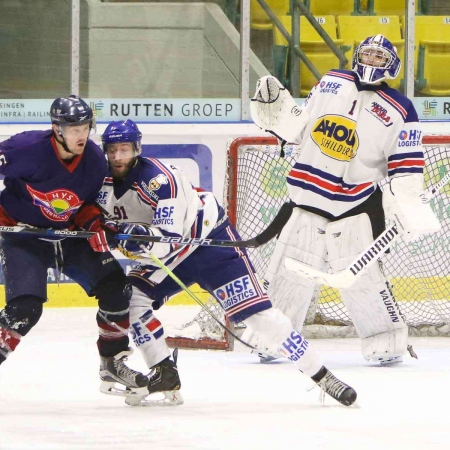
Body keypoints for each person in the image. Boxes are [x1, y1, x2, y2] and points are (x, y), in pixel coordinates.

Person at [88, 118, 358, 407]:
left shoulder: (160, 180)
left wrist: (138, 238)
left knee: (260, 318)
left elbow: (169, 240)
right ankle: (164, 371)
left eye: (125, 149)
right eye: (113, 149)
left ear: (137, 148)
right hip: (169, 256)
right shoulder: (99, 181)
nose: (118, 156)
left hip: (207, 244)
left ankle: (321, 374)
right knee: (131, 302)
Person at [250, 35, 441, 365]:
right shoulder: (331, 81)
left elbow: (406, 163)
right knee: (289, 270)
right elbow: (301, 126)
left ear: (392, 65)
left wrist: (407, 201)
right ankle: (273, 337)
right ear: (356, 56)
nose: (372, 60)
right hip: (308, 196)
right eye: (367, 53)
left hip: (356, 204)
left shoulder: (401, 108)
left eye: (380, 56)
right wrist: (278, 116)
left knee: (363, 277)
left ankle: (386, 340)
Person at [0, 96, 148, 394]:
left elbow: (85, 204)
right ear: (56, 129)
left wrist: (95, 224)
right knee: (25, 310)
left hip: (68, 236)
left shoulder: (93, 160)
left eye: (85, 127)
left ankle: (112, 365)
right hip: (23, 236)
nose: (81, 135)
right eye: (74, 128)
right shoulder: (25, 148)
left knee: (117, 289)